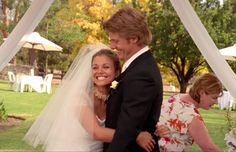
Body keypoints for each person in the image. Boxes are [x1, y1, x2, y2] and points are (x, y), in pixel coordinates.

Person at [23, 44, 160, 152]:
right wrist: (135, 136)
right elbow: (96, 132)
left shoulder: (115, 95)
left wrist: (153, 128)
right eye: (95, 67)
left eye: (106, 67)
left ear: (117, 71)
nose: (99, 71)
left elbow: (129, 119)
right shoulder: (79, 98)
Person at [102, 6, 163, 152]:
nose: (112, 46)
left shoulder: (142, 74)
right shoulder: (137, 67)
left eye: (116, 41)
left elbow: (127, 130)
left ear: (134, 38)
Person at [157, 73, 223, 152]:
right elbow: (209, 148)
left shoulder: (176, 97)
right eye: (214, 97)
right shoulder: (192, 117)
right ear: (202, 93)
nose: (216, 102)